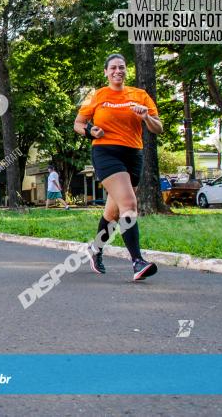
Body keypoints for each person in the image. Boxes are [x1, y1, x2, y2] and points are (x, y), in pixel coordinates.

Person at [74, 53, 163, 280]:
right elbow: (79, 123)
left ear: (126, 70)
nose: (117, 71)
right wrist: (90, 131)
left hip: (133, 155)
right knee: (129, 203)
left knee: (113, 212)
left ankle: (95, 249)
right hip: (105, 152)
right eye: (112, 67)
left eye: (121, 67)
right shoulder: (96, 95)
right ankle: (137, 261)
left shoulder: (140, 95)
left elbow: (158, 128)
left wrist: (145, 117)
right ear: (106, 72)